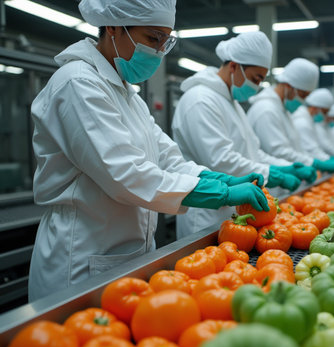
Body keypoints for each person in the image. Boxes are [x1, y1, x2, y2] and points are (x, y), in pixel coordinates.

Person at [28, 0, 269, 301]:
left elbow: (167, 158)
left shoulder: (128, 94)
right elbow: (125, 174)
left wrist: (219, 179)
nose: (157, 52)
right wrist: (220, 195)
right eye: (152, 39)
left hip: (127, 258)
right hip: (81, 260)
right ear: (113, 27)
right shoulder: (78, 84)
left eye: (164, 42)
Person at [172, 32, 314, 238]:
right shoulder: (200, 100)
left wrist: (283, 168)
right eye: (255, 79)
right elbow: (221, 160)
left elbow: (253, 152)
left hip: (236, 213)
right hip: (205, 216)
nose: (256, 87)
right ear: (234, 66)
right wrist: (270, 175)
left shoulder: (232, 104)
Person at [247, 58, 320, 168]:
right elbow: (278, 151)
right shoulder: (266, 110)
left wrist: (308, 162)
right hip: (271, 180)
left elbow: (293, 147)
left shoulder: (282, 110)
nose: (303, 101)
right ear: (289, 86)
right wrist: (310, 163)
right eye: (302, 95)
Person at [291, 88, 334, 174]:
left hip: (306, 164)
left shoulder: (309, 121)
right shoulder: (302, 122)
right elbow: (310, 150)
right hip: (300, 167)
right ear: (315, 107)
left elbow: (315, 148)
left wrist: (329, 159)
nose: (325, 116)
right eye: (325, 112)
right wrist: (326, 161)